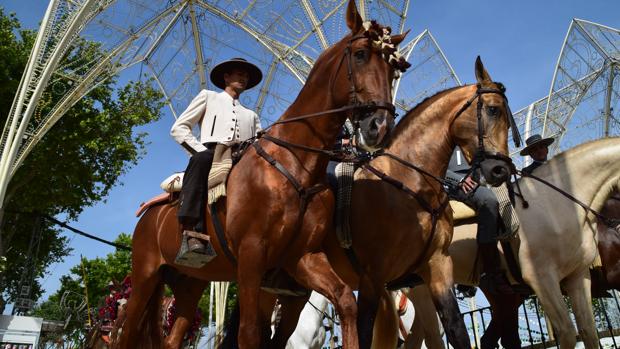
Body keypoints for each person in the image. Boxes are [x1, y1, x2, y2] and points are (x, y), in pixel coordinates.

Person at [171, 58, 262, 262]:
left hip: (245, 156)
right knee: (201, 161)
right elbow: (179, 128)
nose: (243, 78)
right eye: (239, 73)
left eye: (246, 76)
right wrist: (200, 150)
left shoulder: (252, 115)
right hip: (213, 152)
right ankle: (192, 231)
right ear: (226, 77)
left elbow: (260, 142)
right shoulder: (208, 97)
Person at [445, 147, 513, 295]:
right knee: (488, 200)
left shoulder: (473, 137)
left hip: (479, 181)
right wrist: (459, 180)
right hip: (456, 186)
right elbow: (435, 166)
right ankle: (490, 271)